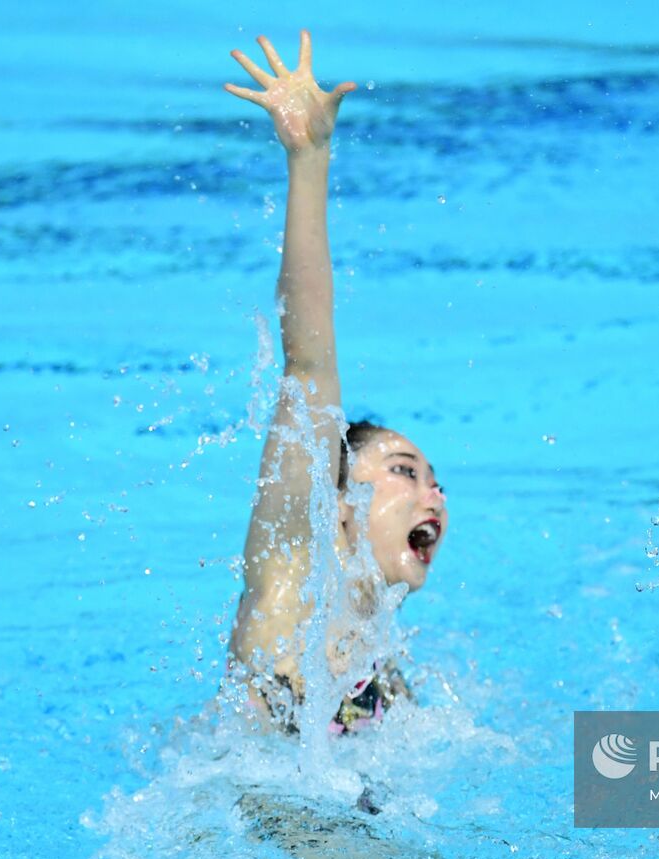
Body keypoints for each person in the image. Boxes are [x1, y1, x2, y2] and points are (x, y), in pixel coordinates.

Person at [222, 32, 447, 732]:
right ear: (341, 506)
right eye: (404, 471)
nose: (434, 495)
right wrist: (309, 159)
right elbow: (308, 362)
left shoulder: (388, 679)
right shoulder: (289, 588)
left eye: (435, 481)